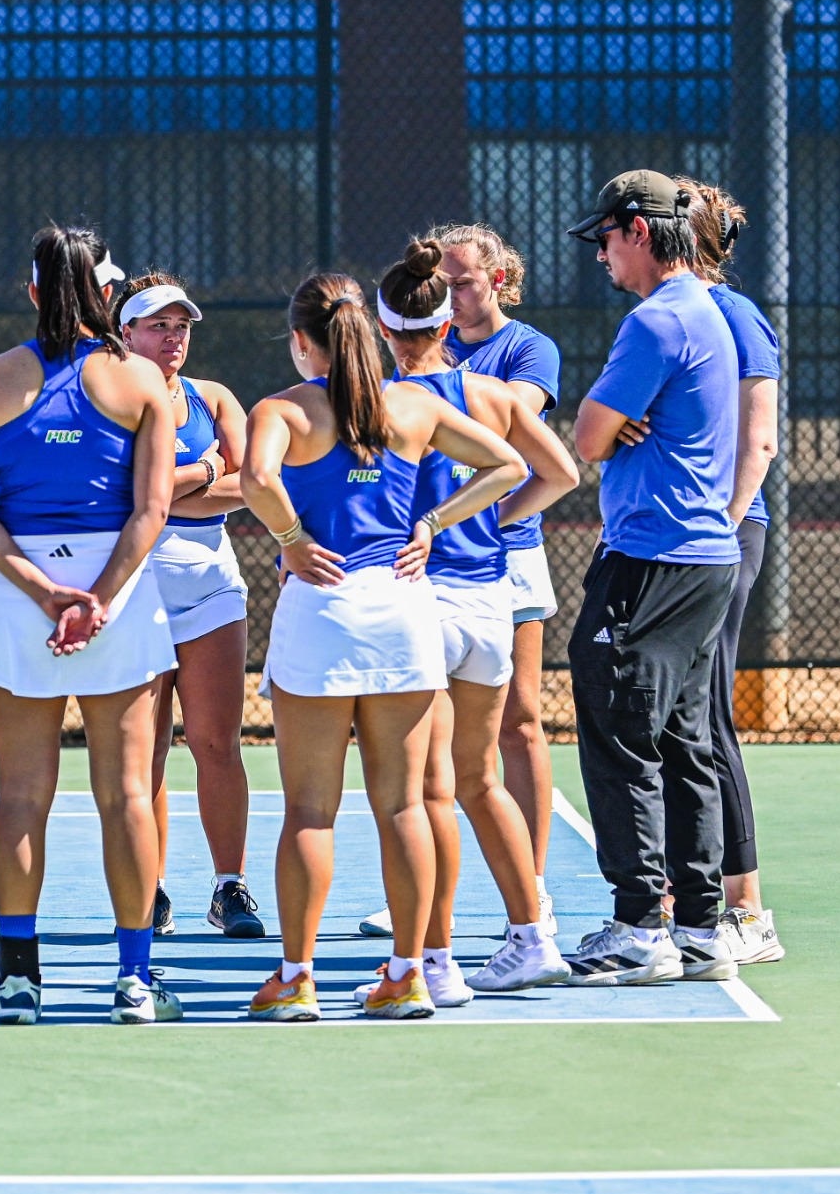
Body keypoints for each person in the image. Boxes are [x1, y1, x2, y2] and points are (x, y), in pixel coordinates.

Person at [242, 274, 526, 1023]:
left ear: (303, 339)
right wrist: (433, 522)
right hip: (402, 614)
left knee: (309, 810)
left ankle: (296, 979)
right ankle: (407, 975)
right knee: (404, 804)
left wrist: (291, 538)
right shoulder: (416, 406)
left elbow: (255, 478)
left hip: (322, 612)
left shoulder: (284, 409)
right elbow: (512, 466)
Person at [0, 225, 179, 1026]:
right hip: (116, 595)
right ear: (105, 294)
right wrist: (99, 598)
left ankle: (19, 983)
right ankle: (135, 982)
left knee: (19, 795)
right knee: (128, 796)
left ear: (34, 292)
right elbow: (152, 510)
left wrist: (47, 593)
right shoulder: (145, 381)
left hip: (23, 597)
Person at [370, 236, 580, 1006]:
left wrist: (434, 525)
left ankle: (437, 961)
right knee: (480, 775)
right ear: (441, 320)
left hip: (420, 599)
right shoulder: (489, 396)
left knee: (427, 790)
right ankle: (533, 936)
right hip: (490, 598)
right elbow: (558, 472)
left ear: (387, 329)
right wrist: (489, 520)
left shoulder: (391, 402)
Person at [561, 170, 742, 986]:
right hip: (703, 560)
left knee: (617, 723)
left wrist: (611, 419)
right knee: (681, 738)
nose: (600, 254)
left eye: (605, 237)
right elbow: (607, 426)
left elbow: (590, 437)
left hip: (652, 557)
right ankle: (701, 925)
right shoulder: (708, 309)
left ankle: (640, 925)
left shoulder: (657, 321)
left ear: (637, 230)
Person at [113, 272, 261, 940]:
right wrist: (204, 472)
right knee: (145, 750)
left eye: (181, 327)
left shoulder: (215, 396)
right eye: (157, 326)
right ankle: (153, 888)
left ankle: (230, 887)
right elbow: (129, 493)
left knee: (215, 743)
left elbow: (253, 482)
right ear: (126, 333)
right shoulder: (109, 395)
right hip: (132, 585)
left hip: (210, 587)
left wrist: (173, 488)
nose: (172, 338)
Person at [677, 177, 786, 966]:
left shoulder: (735, 314)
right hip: (679, 540)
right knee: (677, 716)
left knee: (709, 712)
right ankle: (690, 893)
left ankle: (747, 908)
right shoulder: (667, 315)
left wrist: (721, 521)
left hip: (723, 535)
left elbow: (758, 439)